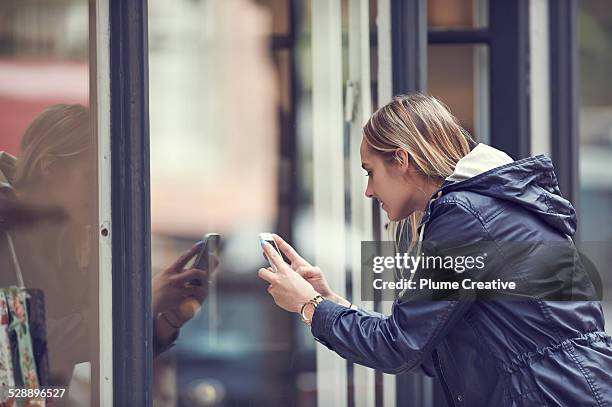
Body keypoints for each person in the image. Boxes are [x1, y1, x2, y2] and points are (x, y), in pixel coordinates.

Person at [258, 94, 612, 406]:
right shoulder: (482, 208)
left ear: (401, 160)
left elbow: (401, 346)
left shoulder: (468, 216)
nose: (368, 191)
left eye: (370, 172)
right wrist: (329, 302)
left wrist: (310, 306)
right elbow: (434, 347)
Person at [0, 104, 207, 387]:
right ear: (49, 167)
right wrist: (140, 303)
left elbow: (92, 344)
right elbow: (14, 347)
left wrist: (163, 322)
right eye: (91, 176)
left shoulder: (65, 237)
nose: (102, 192)